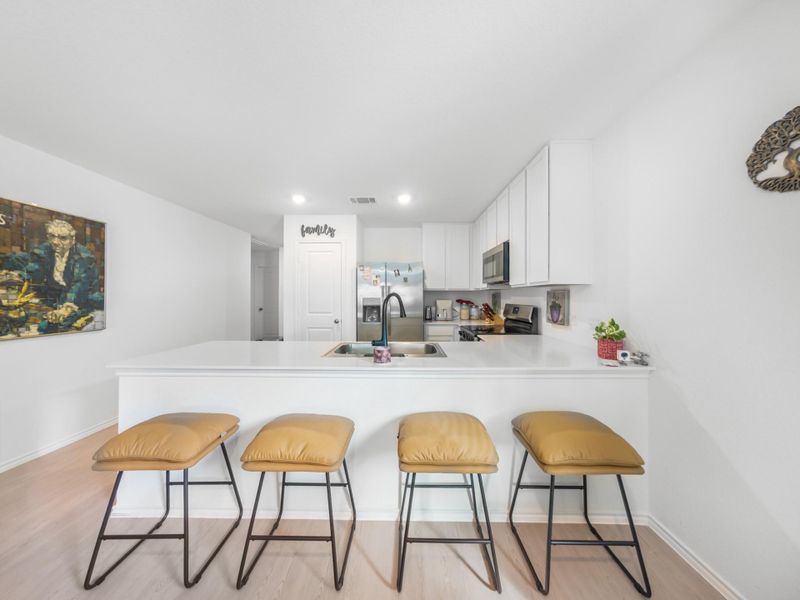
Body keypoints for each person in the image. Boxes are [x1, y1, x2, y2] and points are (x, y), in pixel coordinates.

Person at [0, 219, 103, 333]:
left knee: (49, 327)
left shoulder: (83, 257)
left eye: (62, 238)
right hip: (53, 296)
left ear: (72, 240)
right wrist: (16, 275)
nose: (55, 241)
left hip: (81, 299)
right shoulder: (46, 249)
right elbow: (35, 268)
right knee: (16, 315)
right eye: (52, 236)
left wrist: (65, 309)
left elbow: (79, 285)